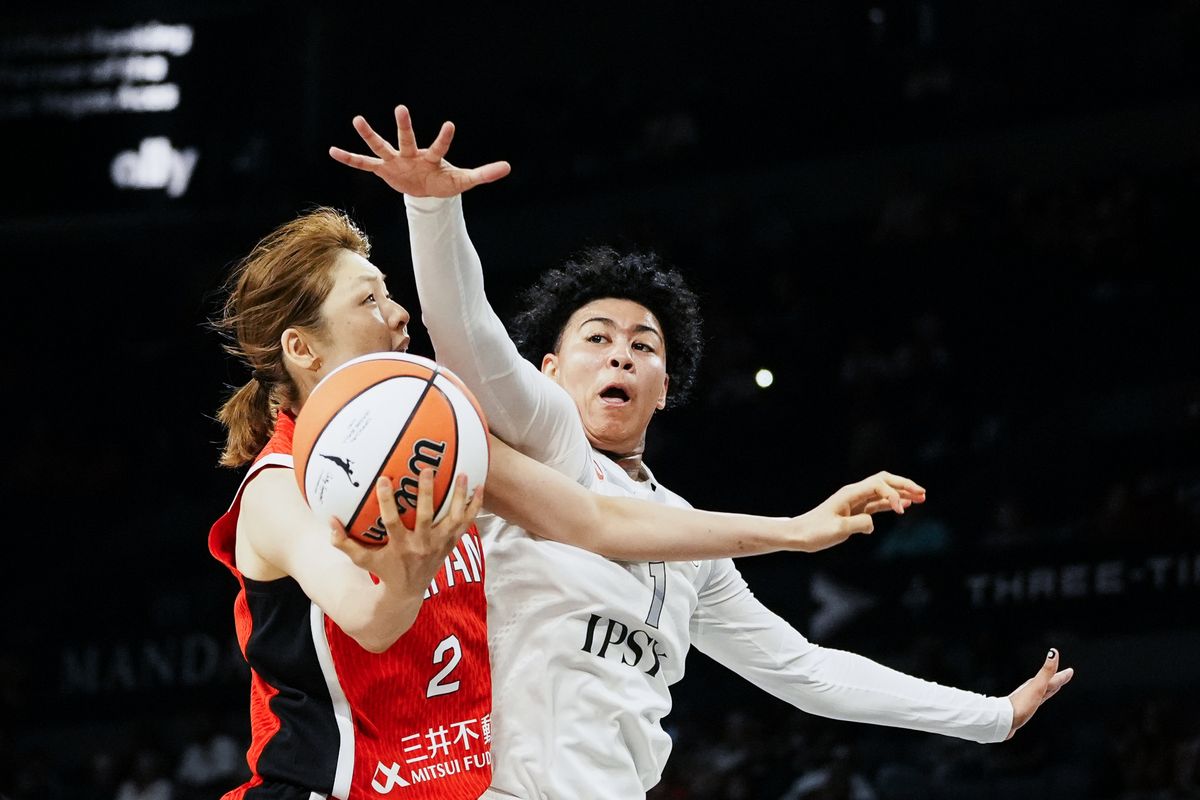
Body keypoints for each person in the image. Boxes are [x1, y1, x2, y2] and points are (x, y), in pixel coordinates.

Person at [329, 104, 1075, 799]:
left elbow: (803, 670)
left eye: (642, 346)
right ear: (549, 374)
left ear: (665, 387)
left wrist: (992, 717)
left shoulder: (691, 541)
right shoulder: (546, 440)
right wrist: (432, 208)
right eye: (596, 339)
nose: (620, 355)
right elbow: (468, 334)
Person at [208, 203, 929, 799]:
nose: (399, 315)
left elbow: (592, 519)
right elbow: (368, 619)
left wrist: (796, 531)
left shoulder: (443, 441)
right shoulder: (278, 486)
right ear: (303, 349)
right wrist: (406, 575)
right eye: (370, 300)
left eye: (391, 291)